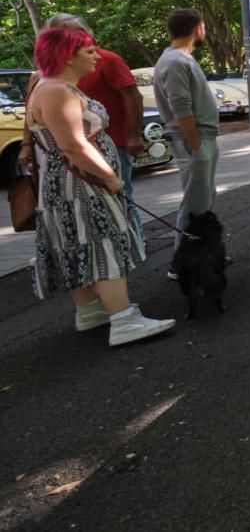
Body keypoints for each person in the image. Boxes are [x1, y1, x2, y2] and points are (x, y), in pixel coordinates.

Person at [27, 27, 175, 346]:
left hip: (73, 181)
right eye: (89, 50)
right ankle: (123, 320)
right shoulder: (56, 90)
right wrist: (110, 176)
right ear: (67, 55)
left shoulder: (57, 86)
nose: (97, 55)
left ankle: (90, 310)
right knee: (102, 241)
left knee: (79, 242)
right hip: (80, 182)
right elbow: (73, 146)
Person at [20, 14, 146, 238]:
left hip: (110, 146)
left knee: (116, 205)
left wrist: (134, 135)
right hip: (77, 164)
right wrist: (27, 144)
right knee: (95, 227)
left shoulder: (105, 61)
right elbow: (72, 144)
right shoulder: (51, 85)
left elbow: (133, 96)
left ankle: (134, 244)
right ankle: (121, 252)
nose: (94, 52)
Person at [153, 9, 222, 281]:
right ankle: (180, 263)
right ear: (198, 28)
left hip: (201, 138)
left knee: (203, 199)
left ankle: (202, 255)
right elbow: (180, 107)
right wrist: (195, 143)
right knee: (194, 203)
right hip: (193, 140)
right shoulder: (174, 62)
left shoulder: (182, 59)